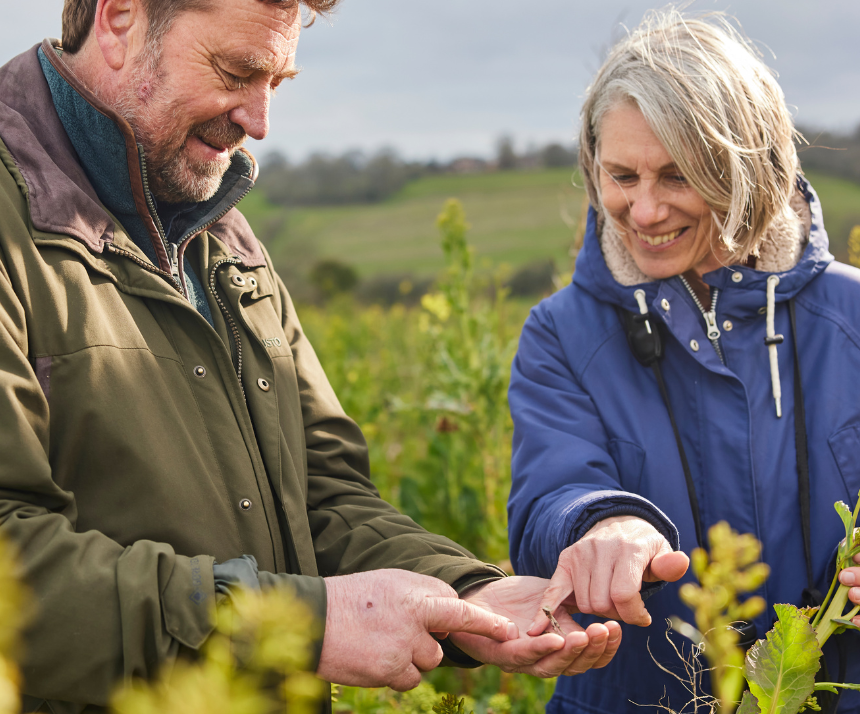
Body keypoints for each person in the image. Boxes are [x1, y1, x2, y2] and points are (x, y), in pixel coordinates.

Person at [0, 0, 624, 710]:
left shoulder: (224, 243)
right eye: (237, 71)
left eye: (278, 82)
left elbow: (321, 491)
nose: (259, 121)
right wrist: (299, 624)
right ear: (118, 20)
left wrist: (469, 592)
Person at [508, 9, 860, 714]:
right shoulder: (561, 335)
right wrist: (601, 527)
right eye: (620, 175)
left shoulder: (850, 319)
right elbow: (549, 496)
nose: (641, 211)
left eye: (677, 177)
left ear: (747, 170)